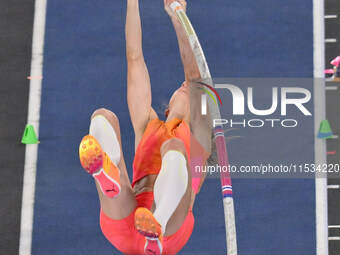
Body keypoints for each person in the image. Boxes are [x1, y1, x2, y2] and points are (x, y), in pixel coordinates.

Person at [79, 0, 212, 254]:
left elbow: (195, 77)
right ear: (166, 108)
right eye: (181, 86)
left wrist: (177, 17)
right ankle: (105, 173)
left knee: (175, 147)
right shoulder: (146, 125)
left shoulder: (200, 147)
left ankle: (157, 224)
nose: (184, 86)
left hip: (169, 229)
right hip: (130, 215)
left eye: (185, 87)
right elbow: (134, 58)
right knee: (102, 117)